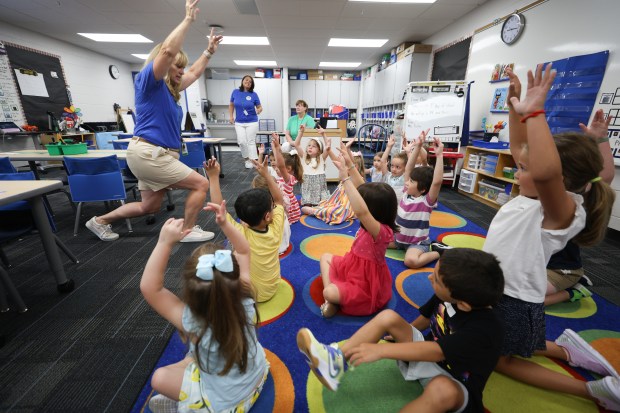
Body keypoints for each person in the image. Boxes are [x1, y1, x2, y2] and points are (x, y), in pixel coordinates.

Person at [485, 64, 619, 410]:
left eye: (524, 169)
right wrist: (516, 107)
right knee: (504, 340)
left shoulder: (560, 212)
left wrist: (536, 113)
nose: (517, 168)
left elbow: (546, 171)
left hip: (512, 297)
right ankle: (567, 350)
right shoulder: (534, 196)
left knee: (502, 358)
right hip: (497, 289)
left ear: (559, 180)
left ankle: (595, 391)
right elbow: (523, 150)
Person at [297, 248, 505, 413]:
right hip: (430, 358)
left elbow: (437, 351)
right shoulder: (450, 293)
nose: (429, 279)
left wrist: (381, 350)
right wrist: (402, 332)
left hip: (457, 382)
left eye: (436, 280)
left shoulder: (485, 329)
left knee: (442, 390)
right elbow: (425, 319)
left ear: (464, 304)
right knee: (388, 317)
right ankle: (334, 363)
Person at [85, 0, 222, 243]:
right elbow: (168, 51)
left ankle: (99, 221)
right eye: (177, 67)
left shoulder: (170, 91)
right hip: (151, 154)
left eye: (182, 67)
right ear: (164, 64)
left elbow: (195, 73)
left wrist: (209, 51)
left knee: (150, 206)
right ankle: (186, 231)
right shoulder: (149, 83)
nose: (181, 71)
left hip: (152, 155)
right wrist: (188, 20)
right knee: (201, 184)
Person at [141, 202, 268, 413]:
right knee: (190, 358)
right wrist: (226, 223)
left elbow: (150, 288)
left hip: (225, 404)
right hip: (257, 377)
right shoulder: (246, 300)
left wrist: (164, 242)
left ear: (191, 292)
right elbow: (244, 251)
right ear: (235, 278)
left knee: (159, 378)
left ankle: (189, 405)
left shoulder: (191, 322)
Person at [544, 109, 615, 306]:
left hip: (561, 271)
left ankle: (575, 290)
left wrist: (599, 141)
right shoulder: (545, 194)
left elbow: (605, 176)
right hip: (533, 264)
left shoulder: (572, 202)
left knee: (520, 299)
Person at [317, 150, 398, 318]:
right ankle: (332, 301)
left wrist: (345, 179)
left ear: (372, 209)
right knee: (325, 257)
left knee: (329, 292)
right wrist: (350, 164)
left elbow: (362, 212)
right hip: (351, 265)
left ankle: (331, 299)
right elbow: (362, 187)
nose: (356, 204)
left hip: (364, 283)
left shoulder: (380, 231)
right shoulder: (372, 222)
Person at [206, 158, 285, 302]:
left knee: (231, 254)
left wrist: (213, 177)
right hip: (272, 288)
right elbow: (279, 200)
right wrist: (267, 174)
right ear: (268, 216)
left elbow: (219, 209)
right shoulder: (276, 230)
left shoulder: (240, 234)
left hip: (248, 294)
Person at [391, 130, 449, 269]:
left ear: (422, 189)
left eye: (411, 181)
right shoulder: (406, 192)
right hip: (398, 239)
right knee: (373, 240)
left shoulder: (426, 201)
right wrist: (417, 146)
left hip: (416, 243)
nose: (406, 182)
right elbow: (409, 168)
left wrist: (439, 155)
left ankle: (437, 252)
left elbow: (437, 182)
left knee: (411, 262)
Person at [302, 141, 364, 225]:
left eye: (345, 165)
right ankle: (319, 210)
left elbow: (351, 165)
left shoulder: (357, 179)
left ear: (354, 167)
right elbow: (335, 159)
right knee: (327, 204)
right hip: (336, 202)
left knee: (338, 211)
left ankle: (316, 211)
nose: (342, 166)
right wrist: (328, 147)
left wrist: (347, 151)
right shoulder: (345, 174)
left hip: (346, 207)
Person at [266, 136, 304, 224]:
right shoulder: (283, 177)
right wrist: (275, 148)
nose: (275, 168)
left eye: (278, 167)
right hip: (281, 201)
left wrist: (276, 148)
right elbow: (280, 162)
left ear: (288, 169)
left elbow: (281, 165)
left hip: (287, 205)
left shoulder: (288, 179)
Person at [229, 75, 262, 169]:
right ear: (242, 81)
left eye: (250, 81)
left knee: (251, 141)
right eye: (246, 80)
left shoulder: (254, 94)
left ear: (252, 84)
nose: (248, 82)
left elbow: (260, 107)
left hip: (252, 121)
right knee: (242, 141)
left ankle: (254, 160)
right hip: (239, 122)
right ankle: (247, 159)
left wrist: (258, 110)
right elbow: (231, 105)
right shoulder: (235, 92)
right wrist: (231, 116)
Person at [293, 124, 331, 205]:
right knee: (307, 205)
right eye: (309, 146)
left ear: (319, 150)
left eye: (314, 146)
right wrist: (301, 132)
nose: (310, 147)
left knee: (323, 204)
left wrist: (323, 134)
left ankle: (318, 208)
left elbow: (328, 147)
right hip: (307, 187)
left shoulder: (321, 158)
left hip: (319, 188)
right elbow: (296, 144)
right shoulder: (304, 157)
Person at [379, 135, 409, 201]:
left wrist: (408, 152)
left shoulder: (405, 177)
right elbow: (382, 161)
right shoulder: (388, 176)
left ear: (405, 168)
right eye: (392, 166)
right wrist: (389, 147)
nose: (394, 169)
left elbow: (410, 165)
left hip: (400, 205)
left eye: (398, 167)